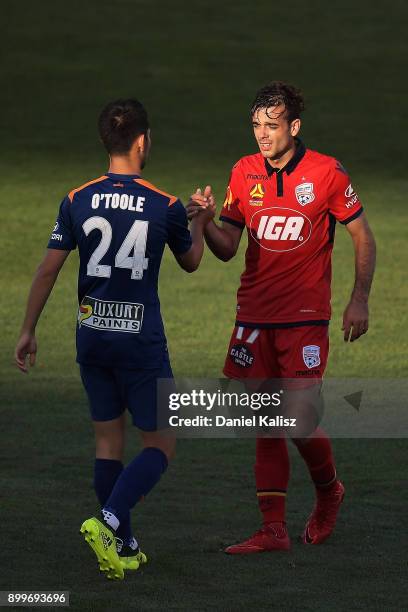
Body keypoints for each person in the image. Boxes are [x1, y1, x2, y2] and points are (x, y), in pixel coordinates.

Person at [14, 98, 211, 579]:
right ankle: (107, 523)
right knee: (162, 444)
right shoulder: (164, 205)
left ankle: (122, 544)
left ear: (107, 141)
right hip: (140, 343)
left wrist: (27, 329)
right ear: (143, 141)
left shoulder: (77, 197)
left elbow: (47, 270)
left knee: (108, 442)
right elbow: (192, 261)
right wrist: (200, 218)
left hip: (92, 338)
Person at [187, 81, 376, 553]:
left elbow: (362, 237)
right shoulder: (242, 172)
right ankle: (273, 530)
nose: (262, 135)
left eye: (272, 126)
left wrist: (360, 298)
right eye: (256, 125)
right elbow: (228, 248)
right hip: (253, 317)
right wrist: (206, 220)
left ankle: (329, 491)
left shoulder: (327, 173)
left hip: (305, 317)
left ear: (294, 126)